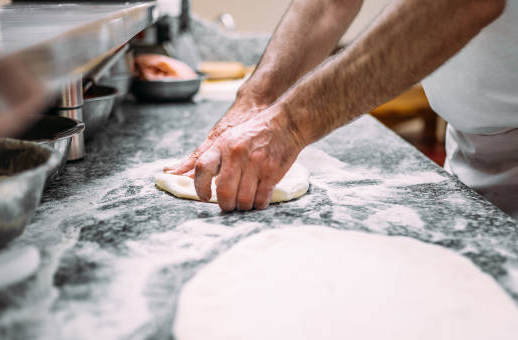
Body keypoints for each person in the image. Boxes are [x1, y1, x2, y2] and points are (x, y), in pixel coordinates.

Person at [165, 0, 517, 217]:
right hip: (473, 149)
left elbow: (461, 5)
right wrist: (256, 99)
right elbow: (328, 3)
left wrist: (287, 125)